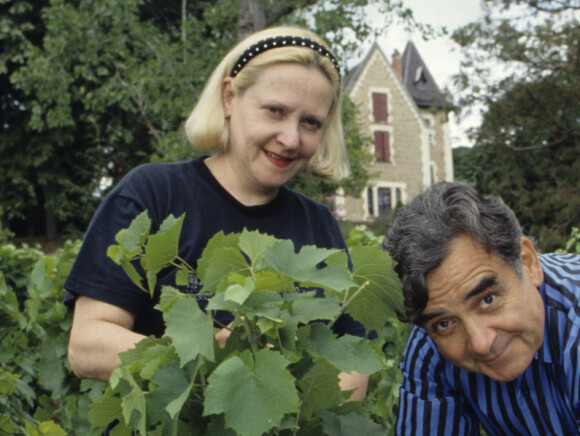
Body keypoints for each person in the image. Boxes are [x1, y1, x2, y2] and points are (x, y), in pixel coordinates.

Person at [65, 25, 367, 398]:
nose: (291, 139)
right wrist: (213, 352)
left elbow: (351, 361)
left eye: (310, 123)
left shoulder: (319, 224)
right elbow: (86, 345)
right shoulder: (153, 195)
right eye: (275, 111)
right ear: (229, 98)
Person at [383, 181, 580, 435]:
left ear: (528, 264)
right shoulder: (429, 345)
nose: (480, 342)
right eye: (445, 324)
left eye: (487, 300)